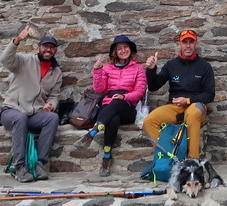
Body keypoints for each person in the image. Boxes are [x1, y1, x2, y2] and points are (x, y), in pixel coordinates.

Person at [73, 35, 147, 177]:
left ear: (131, 50)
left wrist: (124, 96)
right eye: (119, 48)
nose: (123, 50)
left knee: (117, 103)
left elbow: (139, 92)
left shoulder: (138, 68)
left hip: (128, 106)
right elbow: (99, 89)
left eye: (126, 47)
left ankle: (92, 133)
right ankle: (107, 156)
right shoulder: (107, 68)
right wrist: (97, 71)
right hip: (109, 105)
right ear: (115, 51)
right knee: (113, 119)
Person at [0, 25, 62, 183]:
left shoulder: (56, 72)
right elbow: (5, 59)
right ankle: (19, 166)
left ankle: (40, 164)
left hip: (33, 114)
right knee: (20, 118)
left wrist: (51, 105)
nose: (49, 50)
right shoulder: (24, 60)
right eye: (46, 46)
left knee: (52, 118)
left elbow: (54, 95)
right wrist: (17, 40)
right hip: (11, 111)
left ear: (55, 51)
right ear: (38, 48)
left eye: (52, 47)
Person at [142, 29, 215, 159]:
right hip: (175, 107)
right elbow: (153, 86)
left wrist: (187, 100)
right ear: (179, 45)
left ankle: (192, 161)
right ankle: (169, 157)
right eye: (184, 42)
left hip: (196, 105)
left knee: (192, 114)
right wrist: (151, 70)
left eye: (191, 42)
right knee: (149, 121)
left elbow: (209, 95)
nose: (188, 46)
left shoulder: (205, 66)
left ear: (196, 44)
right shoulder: (171, 65)